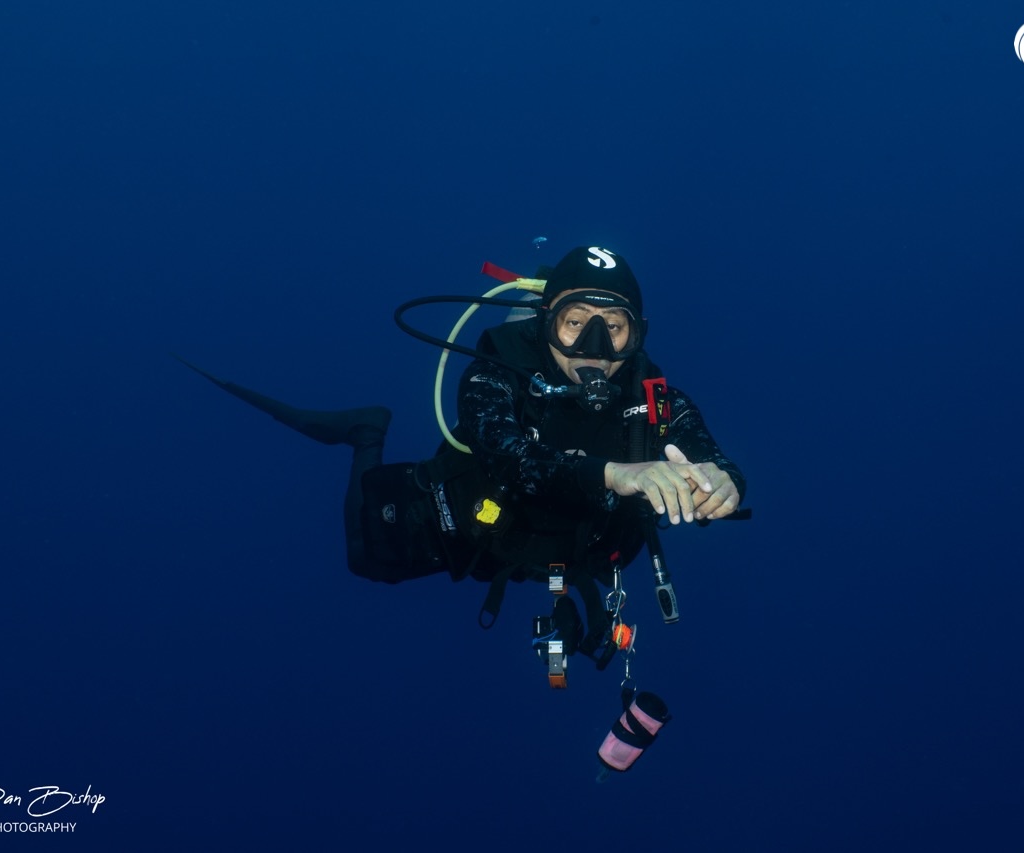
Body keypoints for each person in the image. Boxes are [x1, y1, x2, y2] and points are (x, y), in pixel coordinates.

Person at [179, 245, 745, 649]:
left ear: (636, 334)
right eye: (575, 323)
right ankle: (365, 433)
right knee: (367, 559)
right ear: (546, 321)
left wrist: (723, 484)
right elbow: (508, 457)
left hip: (575, 552)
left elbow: (714, 459)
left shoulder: (657, 400)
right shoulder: (496, 370)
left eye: (613, 327)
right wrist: (617, 474)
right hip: (483, 521)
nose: (593, 347)